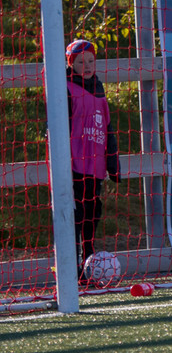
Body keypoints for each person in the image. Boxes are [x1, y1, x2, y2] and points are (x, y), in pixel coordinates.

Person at [65, 39, 120, 285]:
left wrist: (113, 164)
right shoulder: (66, 89)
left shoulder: (99, 89)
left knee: (92, 214)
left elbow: (108, 129)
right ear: (71, 64)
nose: (86, 66)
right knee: (75, 216)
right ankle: (72, 267)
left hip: (94, 167)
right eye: (80, 62)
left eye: (90, 61)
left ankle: (88, 263)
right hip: (73, 166)